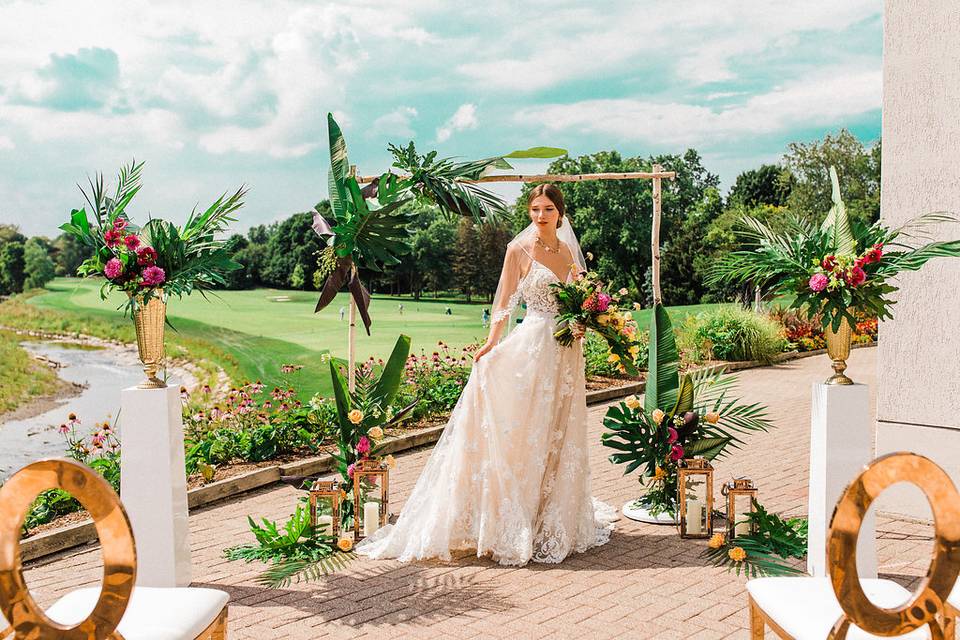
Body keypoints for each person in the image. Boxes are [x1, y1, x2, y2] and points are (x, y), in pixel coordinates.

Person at [356, 183, 617, 566]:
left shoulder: (570, 254)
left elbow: (581, 306)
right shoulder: (519, 250)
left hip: (565, 354)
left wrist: (582, 326)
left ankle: (549, 512)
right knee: (524, 428)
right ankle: (510, 515)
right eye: (534, 209)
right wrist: (491, 343)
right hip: (532, 348)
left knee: (557, 430)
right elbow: (503, 302)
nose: (540, 216)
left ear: (560, 213)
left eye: (547, 209)